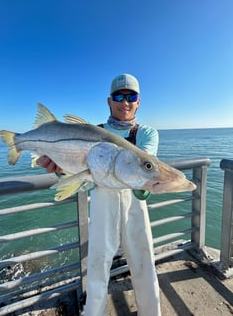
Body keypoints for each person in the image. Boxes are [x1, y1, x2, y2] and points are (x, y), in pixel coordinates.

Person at [37, 74, 161, 316]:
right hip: (102, 206)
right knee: (97, 268)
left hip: (135, 205)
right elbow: (83, 182)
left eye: (131, 96)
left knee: (145, 266)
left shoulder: (146, 133)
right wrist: (62, 171)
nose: (125, 102)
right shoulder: (94, 132)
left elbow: (146, 174)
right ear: (108, 101)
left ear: (139, 101)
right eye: (119, 96)